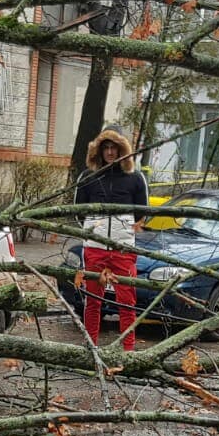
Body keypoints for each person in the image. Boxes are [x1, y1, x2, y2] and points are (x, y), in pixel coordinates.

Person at [76, 127, 148, 350]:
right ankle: (91, 349)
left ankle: (128, 352)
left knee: (127, 303)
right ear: (98, 150)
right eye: (105, 147)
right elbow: (78, 211)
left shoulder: (135, 178)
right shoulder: (87, 177)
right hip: (94, 248)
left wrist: (123, 231)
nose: (109, 152)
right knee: (92, 302)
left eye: (113, 147)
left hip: (123, 250)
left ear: (121, 149)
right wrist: (93, 231)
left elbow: (143, 213)